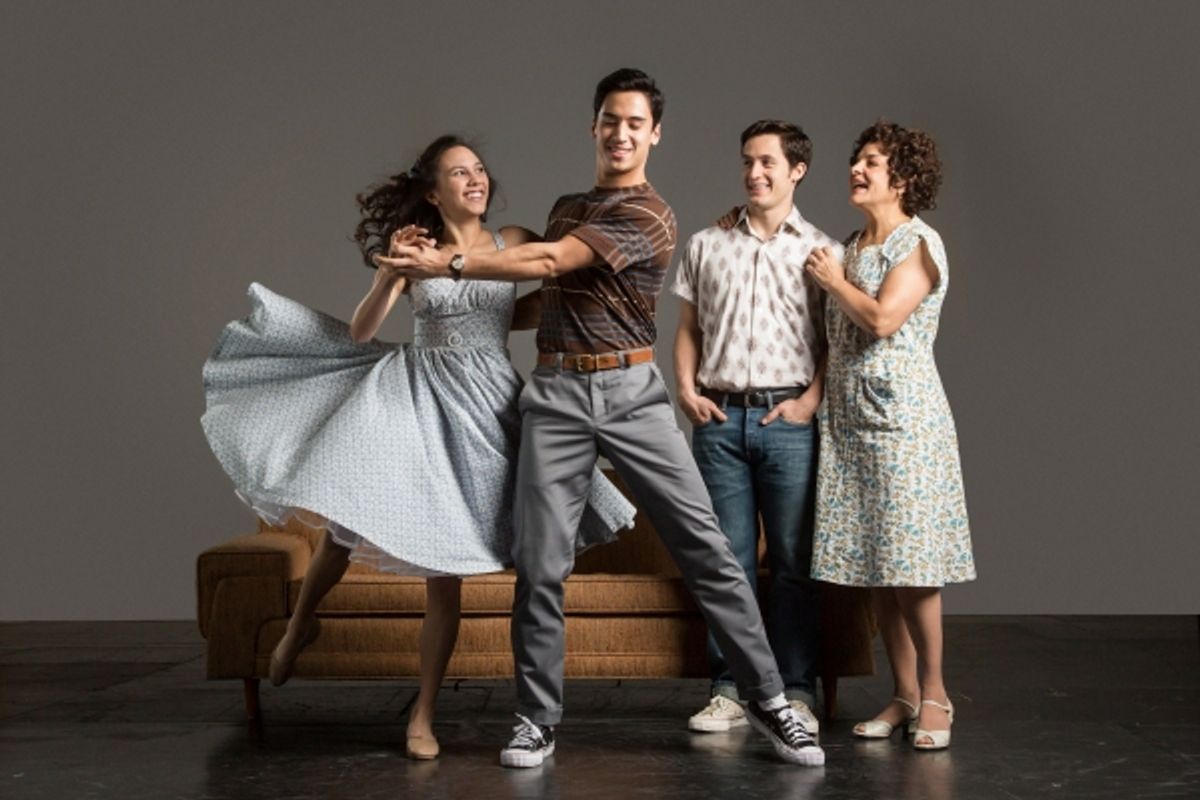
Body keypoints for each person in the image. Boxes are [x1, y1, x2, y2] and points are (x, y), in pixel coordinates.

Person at [378, 69, 824, 768]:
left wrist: (448, 262)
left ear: (654, 135)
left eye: (635, 123)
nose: (621, 133)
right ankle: (534, 719)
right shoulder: (565, 205)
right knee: (541, 566)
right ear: (594, 127)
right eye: (610, 120)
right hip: (555, 395)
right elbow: (544, 299)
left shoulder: (649, 214)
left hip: (630, 394)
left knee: (706, 550)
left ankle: (769, 700)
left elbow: (554, 259)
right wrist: (434, 294)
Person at [200, 134, 635, 761]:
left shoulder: (511, 239)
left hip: (487, 401)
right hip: (417, 393)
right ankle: (299, 626)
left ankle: (422, 714)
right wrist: (389, 271)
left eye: (480, 169)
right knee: (346, 525)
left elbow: (532, 300)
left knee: (445, 571)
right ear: (434, 191)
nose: (476, 180)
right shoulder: (418, 247)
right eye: (460, 173)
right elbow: (363, 330)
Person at [803, 120, 975, 751]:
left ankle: (937, 695)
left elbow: (881, 319)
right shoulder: (849, 245)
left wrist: (830, 282)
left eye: (873, 162)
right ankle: (903, 695)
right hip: (851, 425)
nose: (858, 168)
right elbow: (835, 340)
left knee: (915, 567)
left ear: (901, 178)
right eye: (857, 159)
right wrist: (814, 400)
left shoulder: (917, 245)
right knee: (880, 564)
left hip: (905, 425)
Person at [672, 120, 840, 736]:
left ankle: (795, 690)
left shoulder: (822, 253)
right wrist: (686, 389)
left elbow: (834, 344)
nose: (754, 174)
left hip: (788, 422)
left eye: (768, 162)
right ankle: (730, 690)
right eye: (747, 162)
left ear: (797, 170)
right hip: (717, 420)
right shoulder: (706, 243)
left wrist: (809, 402)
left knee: (794, 562)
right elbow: (688, 327)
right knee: (726, 562)